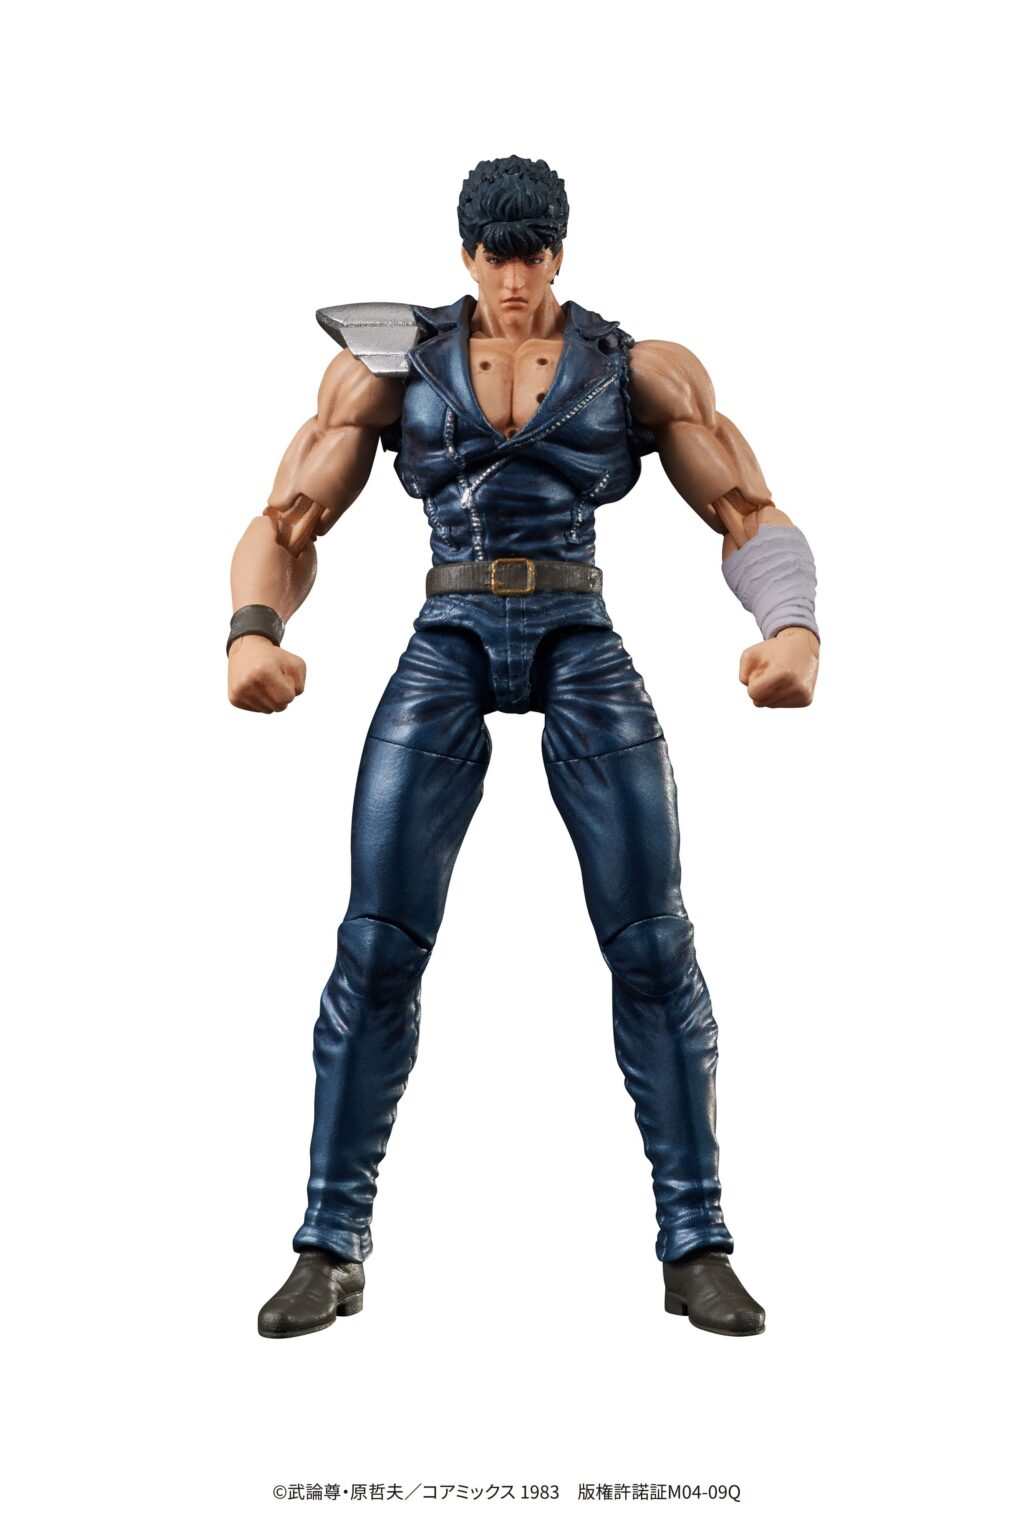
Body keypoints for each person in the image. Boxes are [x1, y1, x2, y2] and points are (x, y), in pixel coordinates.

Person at [227, 156, 819, 1340]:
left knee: (652, 940)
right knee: (377, 943)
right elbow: (290, 515)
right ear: (465, 254)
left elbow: (746, 506)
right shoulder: (392, 363)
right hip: (448, 631)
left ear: (560, 252)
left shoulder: (635, 366)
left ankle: (697, 1244)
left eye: (532, 255)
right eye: (495, 256)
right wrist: (253, 630)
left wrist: (789, 623)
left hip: (575, 630)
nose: (512, 278)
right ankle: (329, 1246)